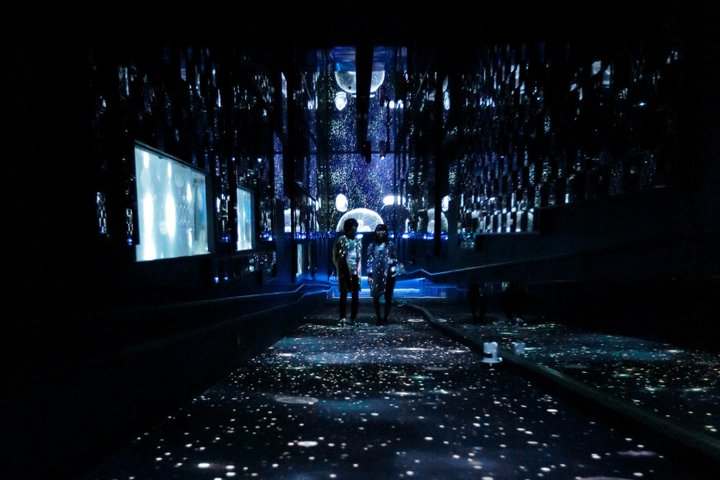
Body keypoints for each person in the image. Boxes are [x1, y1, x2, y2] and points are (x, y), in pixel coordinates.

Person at [366, 224, 399, 325]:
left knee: (388, 296)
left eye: (382, 230)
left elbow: (396, 259)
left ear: (386, 232)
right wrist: (370, 274)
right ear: (375, 232)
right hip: (375, 274)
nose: (380, 232)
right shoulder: (372, 246)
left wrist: (391, 261)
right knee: (376, 296)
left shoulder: (391, 244)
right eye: (378, 230)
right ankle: (378, 317)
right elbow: (369, 261)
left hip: (389, 274)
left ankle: (385, 317)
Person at [333, 218, 361, 326]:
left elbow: (359, 257)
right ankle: (342, 317)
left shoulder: (357, 241)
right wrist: (340, 268)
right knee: (344, 294)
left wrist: (357, 269)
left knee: (355, 295)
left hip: (355, 271)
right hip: (344, 271)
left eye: (355, 229)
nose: (353, 231)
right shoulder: (341, 240)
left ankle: (353, 317)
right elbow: (335, 257)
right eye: (351, 229)